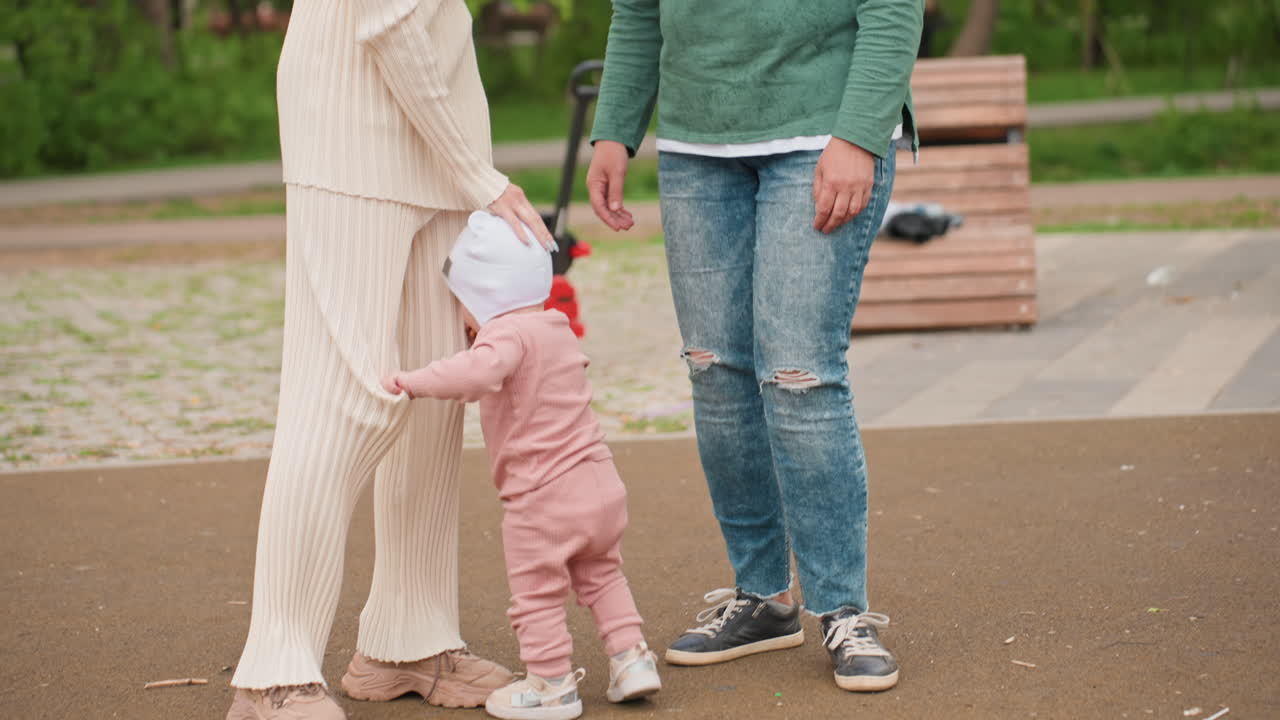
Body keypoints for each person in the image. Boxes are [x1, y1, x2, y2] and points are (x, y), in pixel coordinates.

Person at [225, 0, 555, 718]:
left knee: (432, 399)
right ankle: (272, 675)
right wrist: (482, 178)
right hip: (354, 135)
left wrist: (465, 169)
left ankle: (408, 643)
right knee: (344, 402)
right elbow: (392, 20)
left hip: (436, 152)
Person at [586, 0, 923, 693]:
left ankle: (843, 608)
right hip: (696, 145)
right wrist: (614, 130)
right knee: (715, 372)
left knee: (799, 374)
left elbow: (892, 7)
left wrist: (859, 134)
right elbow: (636, 11)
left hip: (823, 129)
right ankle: (764, 597)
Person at [383, 211, 662, 720]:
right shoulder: (554, 325)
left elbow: (476, 374)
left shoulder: (504, 336)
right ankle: (632, 660)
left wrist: (413, 380)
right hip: (599, 481)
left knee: (537, 594)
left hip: (544, 498)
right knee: (602, 575)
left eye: (462, 302)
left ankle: (551, 684)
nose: (461, 317)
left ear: (484, 295)